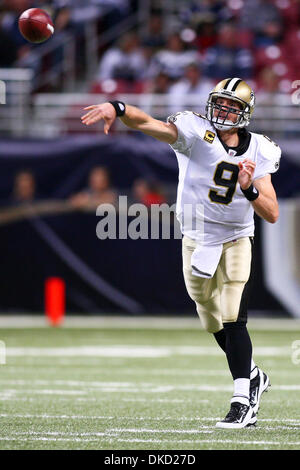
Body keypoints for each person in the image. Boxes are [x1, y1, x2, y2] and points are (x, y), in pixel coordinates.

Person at [81, 77, 281, 429]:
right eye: (220, 103)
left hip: (236, 236)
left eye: (232, 106)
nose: (223, 110)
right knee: (209, 316)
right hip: (196, 237)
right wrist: (119, 108)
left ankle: (241, 401)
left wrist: (249, 189)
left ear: (244, 113)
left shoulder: (260, 149)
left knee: (234, 313)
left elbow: (272, 212)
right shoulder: (194, 132)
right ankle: (253, 375)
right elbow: (149, 124)